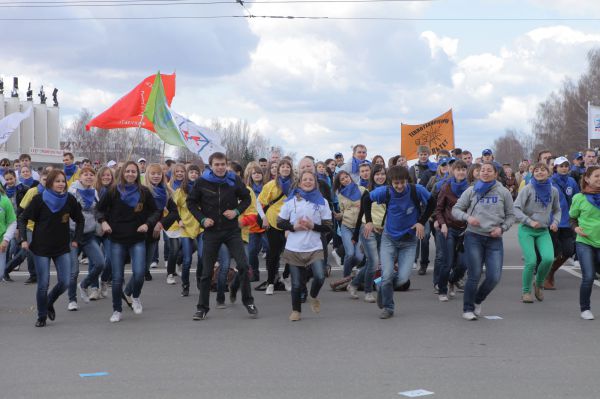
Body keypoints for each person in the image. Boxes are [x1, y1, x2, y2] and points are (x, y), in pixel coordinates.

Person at [187, 152, 258, 320]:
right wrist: (202, 219)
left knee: (243, 265)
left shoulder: (234, 180)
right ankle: (202, 308)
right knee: (206, 272)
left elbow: (247, 199)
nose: (220, 167)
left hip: (232, 231)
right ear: (211, 166)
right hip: (211, 232)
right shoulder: (201, 181)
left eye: (222, 164)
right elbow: (191, 203)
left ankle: (248, 301)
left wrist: (237, 211)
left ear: (226, 164)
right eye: (216, 164)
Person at [365, 166, 435, 319]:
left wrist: (421, 222)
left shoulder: (417, 190)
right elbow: (366, 198)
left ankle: (382, 286)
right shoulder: (385, 191)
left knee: (402, 279)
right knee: (388, 274)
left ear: (406, 180)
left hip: (409, 242)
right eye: (396, 183)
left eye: (402, 182)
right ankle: (388, 307)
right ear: (390, 182)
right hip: (389, 239)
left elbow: (432, 202)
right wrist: (369, 221)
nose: (399, 186)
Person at [96, 161, 160, 323]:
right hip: (116, 239)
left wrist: (147, 224)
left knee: (139, 274)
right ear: (122, 173)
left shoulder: (144, 192)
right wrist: (103, 221)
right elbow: (99, 209)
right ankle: (116, 309)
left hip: (137, 239)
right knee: (117, 278)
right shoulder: (112, 191)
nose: (131, 174)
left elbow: (155, 211)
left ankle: (135, 296)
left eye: (134, 171)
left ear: (138, 174)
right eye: (128, 171)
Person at [18, 170, 84, 327]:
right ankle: (41, 316)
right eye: (57, 181)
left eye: (63, 181)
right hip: (41, 248)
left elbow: (80, 220)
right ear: (49, 183)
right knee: (43, 284)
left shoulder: (69, 200)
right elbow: (22, 218)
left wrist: (76, 239)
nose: (61, 184)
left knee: (65, 282)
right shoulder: (39, 200)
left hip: (62, 247)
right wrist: (24, 240)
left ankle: (48, 302)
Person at [452, 162, 515, 320]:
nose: (485, 173)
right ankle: (467, 308)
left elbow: (511, 215)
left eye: (489, 170)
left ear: (495, 174)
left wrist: (502, 228)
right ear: (478, 173)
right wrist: (468, 218)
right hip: (474, 236)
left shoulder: (503, 192)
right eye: (482, 170)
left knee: (494, 276)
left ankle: (478, 300)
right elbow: (456, 209)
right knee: (474, 274)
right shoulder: (471, 190)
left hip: (494, 238)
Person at [277, 171, 332, 321]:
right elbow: (279, 222)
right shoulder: (291, 201)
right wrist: (294, 227)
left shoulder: (322, 202)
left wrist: (313, 225)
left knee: (320, 277)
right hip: (294, 248)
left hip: (314, 247)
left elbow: (328, 227)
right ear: (300, 183)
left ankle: (313, 296)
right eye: (305, 180)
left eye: (311, 180)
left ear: (315, 183)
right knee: (296, 284)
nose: (308, 182)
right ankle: (296, 311)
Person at [513, 162, 561, 303]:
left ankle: (538, 283)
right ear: (533, 173)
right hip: (527, 230)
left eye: (543, 170)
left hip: (543, 230)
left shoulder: (553, 191)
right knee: (531, 261)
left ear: (548, 172)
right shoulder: (528, 188)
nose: (540, 172)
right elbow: (516, 208)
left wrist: (555, 222)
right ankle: (526, 292)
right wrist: (529, 221)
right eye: (537, 171)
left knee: (548, 258)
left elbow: (557, 210)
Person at [68, 167, 106, 310]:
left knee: (100, 263)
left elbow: (97, 211)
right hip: (72, 235)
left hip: (89, 234)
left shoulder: (94, 191)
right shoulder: (72, 192)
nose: (89, 177)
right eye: (85, 174)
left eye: (91, 175)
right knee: (74, 271)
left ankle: (84, 285)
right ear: (80, 177)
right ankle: (72, 300)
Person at [348, 164, 387, 303]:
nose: (380, 177)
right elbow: (361, 215)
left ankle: (354, 283)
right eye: (377, 174)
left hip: (384, 231)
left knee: (374, 262)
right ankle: (368, 292)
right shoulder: (367, 192)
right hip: (368, 228)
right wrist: (354, 235)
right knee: (374, 262)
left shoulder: (391, 191)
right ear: (373, 176)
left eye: (382, 174)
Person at [258, 159, 294, 295]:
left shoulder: (295, 185)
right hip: (273, 222)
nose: (285, 169)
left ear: (291, 169)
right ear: (278, 170)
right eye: (282, 167)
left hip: (289, 223)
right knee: (273, 254)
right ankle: (271, 282)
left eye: (288, 167)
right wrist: (264, 217)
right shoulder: (271, 185)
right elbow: (259, 202)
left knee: (291, 253)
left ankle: (286, 277)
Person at [435, 160, 469, 301]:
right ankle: (442, 290)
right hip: (448, 229)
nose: (461, 172)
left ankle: (451, 281)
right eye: (458, 169)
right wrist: (442, 224)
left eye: (463, 169)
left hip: (466, 230)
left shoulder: (471, 188)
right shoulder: (446, 187)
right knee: (447, 262)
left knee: (463, 264)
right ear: (452, 172)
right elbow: (439, 209)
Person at [569, 166, 600, 320]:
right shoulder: (579, 198)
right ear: (587, 178)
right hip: (585, 241)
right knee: (588, 276)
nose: (599, 179)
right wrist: (576, 229)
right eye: (597, 176)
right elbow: (572, 218)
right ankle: (585, 309)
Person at [544, 157, 579, 289]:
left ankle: (551, 271)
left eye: (566, 165)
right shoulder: (549, 182)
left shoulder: (571, 181)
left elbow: (576, 198)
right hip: (553, 222)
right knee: (553, 252)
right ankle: (546, 275)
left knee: (569, 251)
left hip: (568, 222)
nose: (564, 168)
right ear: (555, 168)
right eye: (561, 166)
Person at [333, 170, 365, 277]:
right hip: (346, 226)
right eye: (342, 179)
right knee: (350, 254)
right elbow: (342, 211)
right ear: (340, 183)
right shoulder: (340, 195)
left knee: (359, 257)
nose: (345, 180)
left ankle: (349, 267)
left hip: (360, 226)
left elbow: (370, 205)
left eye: (346, 177)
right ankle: (346, 277)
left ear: (350, 177)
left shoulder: (361, 190)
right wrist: (339, 216)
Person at [245, 164, 269, 281]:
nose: (257, 175)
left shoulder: (267, 188)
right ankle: (254, 274)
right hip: (253, 225)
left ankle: (272, 275)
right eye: (254, 173)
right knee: (252, 252)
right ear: (250, 175)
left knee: (270, 250)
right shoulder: (247, 189)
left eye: (259, 172)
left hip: (266, 223)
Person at [0, 184, 16, 281]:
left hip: (1, 242)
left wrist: (6, 239)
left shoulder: (5, 201)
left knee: (0, 274)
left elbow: (12, 222)